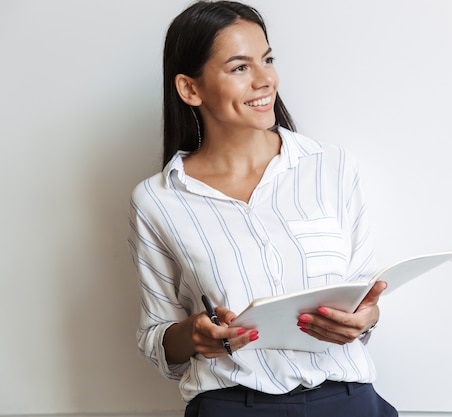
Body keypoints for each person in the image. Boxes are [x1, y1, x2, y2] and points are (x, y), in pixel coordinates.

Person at [128, 1, 398, 416]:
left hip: (346, 401)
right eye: (240, 67)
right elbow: (157, 337)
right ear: (190, 89)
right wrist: (195, 335)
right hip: (232, 405)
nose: (265, 79)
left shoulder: (331, 166)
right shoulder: (158, 199)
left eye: (267, 59)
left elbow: (362, 296)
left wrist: (368, 317)